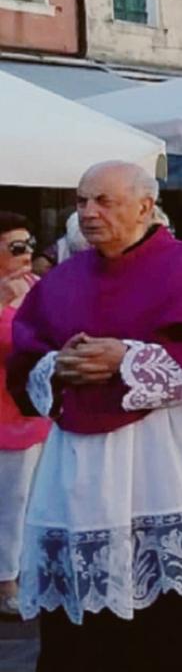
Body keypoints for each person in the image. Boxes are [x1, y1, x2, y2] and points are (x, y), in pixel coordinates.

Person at [6, 162, 182, 670]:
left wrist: (129, 359)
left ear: (145, 206)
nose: (89, 213)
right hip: (84, 466)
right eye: (81, 202)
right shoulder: (63, 278)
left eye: (104, 201)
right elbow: (27, 356)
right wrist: (60, 365)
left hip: (173, 463)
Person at [0, 213, 46, 620]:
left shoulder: (36, 287)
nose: (28, 252)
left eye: (29, 243)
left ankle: (25, 571)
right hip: (3, 415)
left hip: (34, 410)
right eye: (16, 246)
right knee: (10, 501)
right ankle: (5, 581)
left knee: (33, 498)